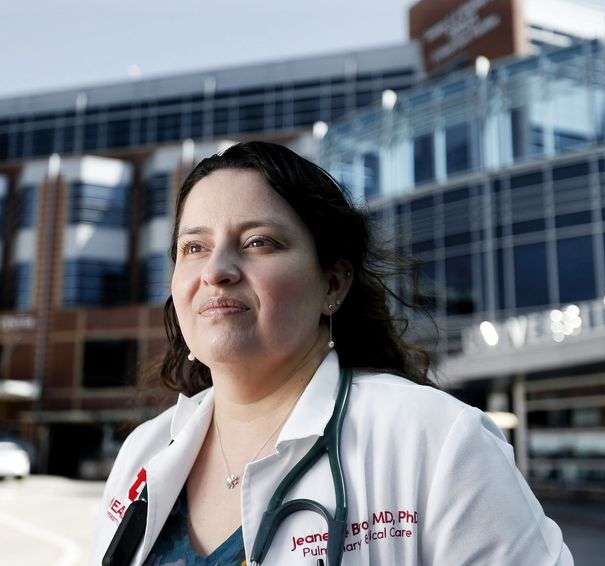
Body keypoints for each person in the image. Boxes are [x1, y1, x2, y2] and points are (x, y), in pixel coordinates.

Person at [91, 141, 573, 565]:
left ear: (334, 284)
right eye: (193, 248)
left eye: (259, 242)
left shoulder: (438, 441)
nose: (216, 270)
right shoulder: (144, 455)